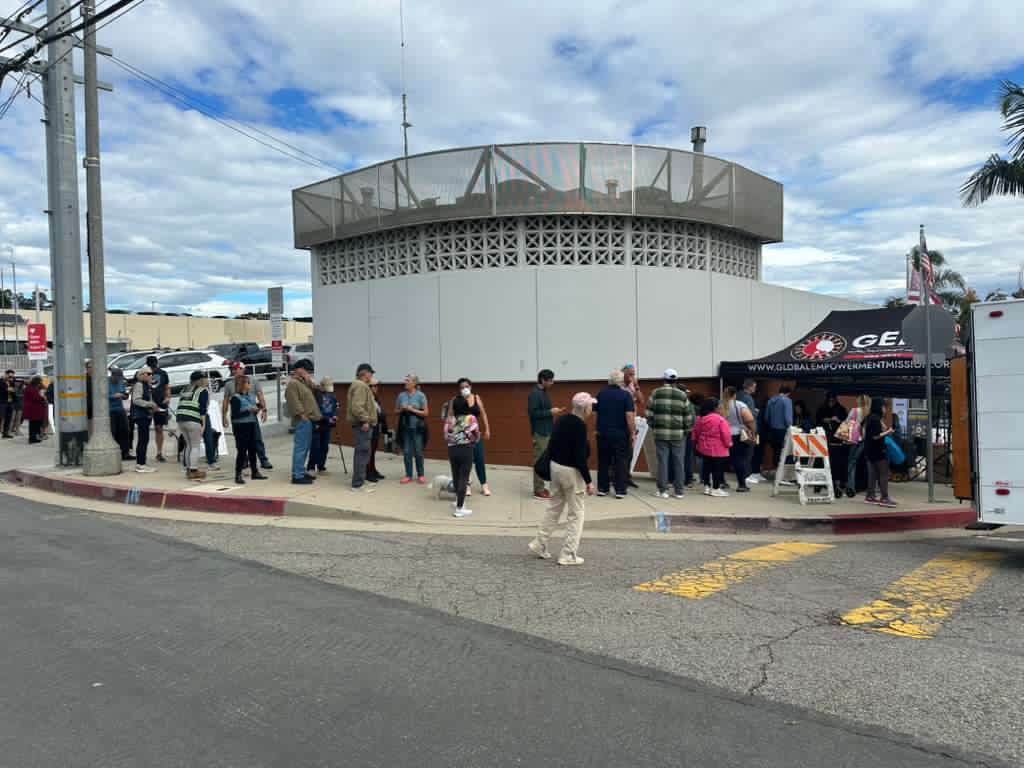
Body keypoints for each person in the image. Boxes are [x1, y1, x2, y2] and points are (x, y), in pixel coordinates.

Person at [529, 392, 596, 566]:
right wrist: (589, 481)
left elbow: (551, 445)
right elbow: (580, 458)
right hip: (571, 472)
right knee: (576, 514)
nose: (592, 409)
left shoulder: (561, 420)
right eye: (591, 406)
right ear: (585, 409)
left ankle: (539, 543)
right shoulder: (580, 426)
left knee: (554, 508)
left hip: (555, 467)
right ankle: (568, 554)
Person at [646, 369, 691, 499]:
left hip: (660, 433)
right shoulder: (682, 395)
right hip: (678, 434)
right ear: (676, 380)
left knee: (662, 461)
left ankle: (663, 491)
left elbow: (648, 413)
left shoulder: (655, 393)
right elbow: (688, 416)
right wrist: (686, 430)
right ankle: (679, 491)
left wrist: (654, 426)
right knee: (679, 462)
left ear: (664, 379)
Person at [221, 363, 272, 470]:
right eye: (232, 369)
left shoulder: (253, 381)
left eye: (236, 369)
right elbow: (225, 401)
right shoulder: (229, 384)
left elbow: (260, 395)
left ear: (243, 369)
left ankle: (263, 459)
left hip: (251, 417)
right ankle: (244, 460)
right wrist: (224, 416)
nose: (234, 371)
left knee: (257, 439)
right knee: (240, 441)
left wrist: (264, 410)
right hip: (237, 418)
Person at [595, 369, 636, 499]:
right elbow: (629, 415)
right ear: (621, 381)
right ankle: (620, 490)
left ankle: (602, 488)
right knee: (621, 461)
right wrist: (633, 432)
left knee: (603, 461)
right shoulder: (626, 395)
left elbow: (595, 413)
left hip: (603, 433)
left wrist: (597, 428)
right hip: (620, 433)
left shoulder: (601, 394)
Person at [286, 360, 322, 485]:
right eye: (306, 370)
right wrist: (302, 415)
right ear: (299, 369)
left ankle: (301, 471)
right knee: (301, 448)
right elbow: (293, 401)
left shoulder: (303, 383)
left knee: (305, 448)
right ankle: (297, 475)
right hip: (302, 420)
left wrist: (308, 380)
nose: (308, 372)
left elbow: (316, 390)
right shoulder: (293, 383)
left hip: (308, 419)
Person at [443, 395, 480, 518]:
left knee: (456, 476)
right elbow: (476, 435)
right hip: (466, 449)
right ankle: (459, 508)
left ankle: (458, 500)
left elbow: (446, 436)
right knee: (464, 478)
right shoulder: (471, 418)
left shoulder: (450, 419)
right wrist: (471, 439)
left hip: (452, 449)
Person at [528, 369, 562, 499]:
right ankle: (538, 490)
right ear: (543, 380)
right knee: (539, 460)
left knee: (544, 460)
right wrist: (550, 412)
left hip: (547, 430)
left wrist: (552, 411)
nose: (552, 383)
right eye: (550, 380)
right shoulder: (535, 394)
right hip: (540, 432)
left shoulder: (544, 392)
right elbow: (533, 413)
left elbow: (544, 411)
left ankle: (541, 487)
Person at [230, 376, 268, 485]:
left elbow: (253, 409)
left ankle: (255, 472)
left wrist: (258, 407)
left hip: (251, 424)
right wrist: (249, 410)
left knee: (252, 449)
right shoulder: (235, 398)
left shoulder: (250, 396)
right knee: (242, 451)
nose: (250, 385)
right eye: (247, 383)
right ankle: (238, 474)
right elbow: (235, 415)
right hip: (240, 427)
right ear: (242, 385)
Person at [457, 377, 492, 496]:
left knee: (479, 458)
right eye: (462, 387)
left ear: (471, 387)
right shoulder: (457, 400)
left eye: (466, 386)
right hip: (462, 434)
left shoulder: (477, 398)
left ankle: (484, 484)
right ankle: (466, 484)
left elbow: (483, 414)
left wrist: (487, 429)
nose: (464, 389)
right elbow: (451, 417)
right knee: (466, 460)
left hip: (475, 433)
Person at [345, 362, 377, 489]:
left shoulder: (359, 385)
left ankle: (360, 480)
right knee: (362, 453)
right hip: (362, 425)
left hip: (362, 424)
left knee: (363, 453)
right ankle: (358, 484)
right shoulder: (360, 386)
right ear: (365, 373)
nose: (372, 375)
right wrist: (365, 420)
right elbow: (357, 407)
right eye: (371, 373)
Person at [692, 397, 732, 497]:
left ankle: (706, 486)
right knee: (718, 469)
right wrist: (729, 444)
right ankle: (716, 488)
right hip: (719, 448)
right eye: (720, 407)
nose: (721, 408)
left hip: (704, 447)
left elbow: (696, 433)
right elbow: (726, 434)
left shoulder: (700, 418)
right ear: (715, 408)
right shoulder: (720, 419)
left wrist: (697, 443)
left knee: (706, 467)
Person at [721, 385, 757, 493]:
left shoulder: (721, 405)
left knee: (723, 459)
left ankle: (721, 482)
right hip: (739, 435)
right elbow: (749, 419)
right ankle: (741, 484)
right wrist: (753, 432)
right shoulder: (740, 405)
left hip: (724, 435)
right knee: (740, 459)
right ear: (735, 395)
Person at [176, 371, 210, 481]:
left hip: (181, 419)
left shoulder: (185, 389)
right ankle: (194, 470)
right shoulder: (202, 390)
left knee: (188, 445)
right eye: (205, 378)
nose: (207, 380)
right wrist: (203, 424)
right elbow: (202, 409)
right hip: (193, 419)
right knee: (195, 446)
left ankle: (188, 469)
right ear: (200, 380)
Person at [863, 397, 897, 507]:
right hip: (878, 450)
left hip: (869, 450)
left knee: (872, 475)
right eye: (883, 407)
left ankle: (870, 496)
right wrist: (888, 431)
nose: (885, 409)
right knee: (883, 474)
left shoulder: (869, 418)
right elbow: (876, 436)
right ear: (879, 407)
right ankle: (884, 498)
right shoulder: (876, 419)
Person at [396, 373, 429, 484]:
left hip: (417, 428)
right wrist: (402, 409)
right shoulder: (401, 395)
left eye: (408, 380)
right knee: (406, 452)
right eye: (405, 380)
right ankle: (408, 475)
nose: (405, 382)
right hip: (405, 427)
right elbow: (396, 411)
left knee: (419, 452)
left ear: (414, 383)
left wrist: (413, 409)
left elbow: (426, 413)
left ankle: (421, 475)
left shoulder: (421, 396)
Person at [130, 367, 161, 473]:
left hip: (145, 415)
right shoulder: (139, 385)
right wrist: (150, 404)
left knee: (144, 439)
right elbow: (136, 400)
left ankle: (141, 463)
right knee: (143, 439)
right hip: (141, 416)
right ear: (142, 375)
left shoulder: (146, 385)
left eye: (151, 374)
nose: (151, 375)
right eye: (148, 374)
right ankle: (141, 464)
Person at [842, 394, 872, 497]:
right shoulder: (869, 412)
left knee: (850, 463)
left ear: (859, 401)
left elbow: (847, 423)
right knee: (858, 463)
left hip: (853, 439)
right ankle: (868, 487)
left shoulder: (854, 411)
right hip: (864, 440)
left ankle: (850, 487)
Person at [307, 377, 338, 475]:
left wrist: (335, 415)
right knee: (315, 447)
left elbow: (335, 407)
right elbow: (315, 410)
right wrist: (326, 419)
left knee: (325, 447)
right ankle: (311, 467)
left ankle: (321, 466)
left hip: (327, 424)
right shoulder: (316, 394)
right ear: (322, 386)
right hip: (317, 423)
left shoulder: (331, 395)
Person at [621, 364, 644, 489]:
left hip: (631, 421)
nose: (632, 376)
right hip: (620, 421)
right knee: (619, 452)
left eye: (633, 374)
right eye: (630, 373)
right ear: (623, 374)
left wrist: (636, 386)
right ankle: (615, 476)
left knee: (630, 451)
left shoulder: (633, 386)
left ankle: (626, 477)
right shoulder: (619, 386)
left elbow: (641, 400)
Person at [145, 355, 170, 463]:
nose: (153, 368)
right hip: (147, 404)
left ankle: (159, 453)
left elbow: (167, 387)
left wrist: (168, 397)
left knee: (159, 428)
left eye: (154, 366)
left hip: (160, 403)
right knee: (144, 428)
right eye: (151, 366)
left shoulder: (163, 373)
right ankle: (142, 453)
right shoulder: (143, 373)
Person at [763, 385, 794, 470]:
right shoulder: (787, 401)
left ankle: (776, 469)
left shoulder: (770, 401)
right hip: (783, 430)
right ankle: (781, 472)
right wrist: (791, 428)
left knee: (775, 451)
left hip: (772, 430)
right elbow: (787, 418)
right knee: (783, 452)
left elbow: (766, 417)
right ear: (788, 393)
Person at [366, 379, 389, 482]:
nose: (376, 388)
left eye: (376, 386)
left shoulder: (375, 398)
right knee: (369, 451)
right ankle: (368, 472)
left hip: (376, 426)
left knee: (373, 450)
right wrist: (380, 416)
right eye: (374, 386)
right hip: (370, 426)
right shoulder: (367, 397)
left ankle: (373, 470)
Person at [108, 367, 133, 459]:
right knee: (113, 431)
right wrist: (113, 396)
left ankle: (125, 452)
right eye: (118, 378)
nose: (119, 380)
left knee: (125, 430)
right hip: (110, 410)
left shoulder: (121, 382)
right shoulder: (106, 382)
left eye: (120, 378)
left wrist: (125, 395)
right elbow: (102, 396)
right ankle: (114, 453)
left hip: (120, 409)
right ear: (113, 376)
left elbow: (124, 394)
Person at [23, 376, 47, 444]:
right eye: (40, 382)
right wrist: (43, 398)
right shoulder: (32, 389)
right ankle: (33, 438)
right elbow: (36, 398)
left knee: (33, 424)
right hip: (34, 409)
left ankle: (34, 437)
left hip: (33, 409)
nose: (40, 383)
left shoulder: (30, 388)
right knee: (35, 425)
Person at [1, 369, 16, 438]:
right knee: (1, 417)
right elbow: (3, 390)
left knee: (8, 418)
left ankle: (5, 433)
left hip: (10, 402)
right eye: (10, 376)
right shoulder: (1, 381)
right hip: (2, 402)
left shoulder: (12, 382)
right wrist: (8, 389)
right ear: (6, 375)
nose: (11, 378)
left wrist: (12, 389)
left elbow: (14, 391)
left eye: (12, 377)